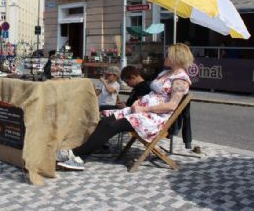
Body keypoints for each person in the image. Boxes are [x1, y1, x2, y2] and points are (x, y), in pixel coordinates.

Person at [56, 43, 193, 170]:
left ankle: (76, 155)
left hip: (153, 118)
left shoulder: (180, 79)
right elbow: (152, 94)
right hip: (141, 111)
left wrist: (143, 108)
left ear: (176, 57)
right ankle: (81, 151)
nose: (165, 56)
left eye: (168, 54)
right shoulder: (166, 73)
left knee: (112, 126)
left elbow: (171, 106)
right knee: (105, 120)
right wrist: (138, 103)